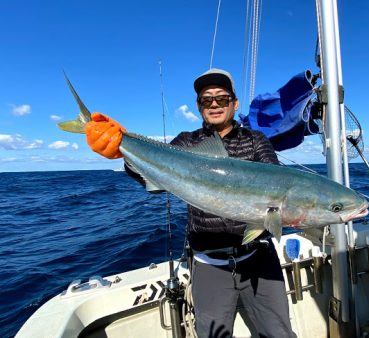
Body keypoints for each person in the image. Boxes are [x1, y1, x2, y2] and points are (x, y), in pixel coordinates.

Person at [85, 68, 296, 338]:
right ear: (199, 106)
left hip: (258, 257)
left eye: (222, 97)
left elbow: (277, 185)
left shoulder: (256, 141)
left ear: (235, 102)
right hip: (209, 264)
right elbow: (153, 179)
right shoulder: (186, 142)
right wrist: (122, 150)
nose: (215, 104)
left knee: (279, 333)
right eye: (207, 100)